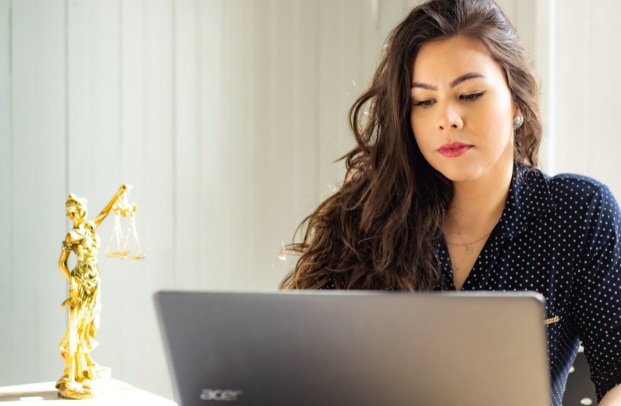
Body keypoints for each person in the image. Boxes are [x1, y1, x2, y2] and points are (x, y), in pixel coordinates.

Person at [279, 0, 621, 404]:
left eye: (470, 94)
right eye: (424, 102)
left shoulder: (577, 213)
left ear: (515, 99)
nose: (447, 119)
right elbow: (303, 377)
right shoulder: (362, 220)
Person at [56, 185, 127, 399]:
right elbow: (61, 264)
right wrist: (72, 282)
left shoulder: (89, 228)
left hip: (95, 282)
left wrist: (118, 195)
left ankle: (85, 364)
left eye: (76, 212)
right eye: (71, 213)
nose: (74, 215)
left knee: (93, 326)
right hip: (81, 283)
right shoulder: (72, 235)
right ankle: (73, 376)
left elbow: (104, 214)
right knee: (77, 327)